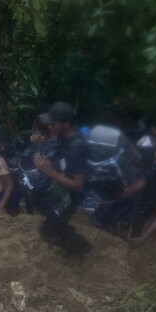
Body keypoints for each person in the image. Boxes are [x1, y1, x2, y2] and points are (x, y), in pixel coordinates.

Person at [33, 102, 91, 257]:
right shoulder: (63, 136)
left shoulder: (76, 147)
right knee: (58, 224)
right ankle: (74, 240)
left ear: (66, 124)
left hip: (70, 197)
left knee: (47, 234)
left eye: (54, 123)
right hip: (61, 190)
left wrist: (49, 172)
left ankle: (80, 250)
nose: (49, 126)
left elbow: (79, 185)